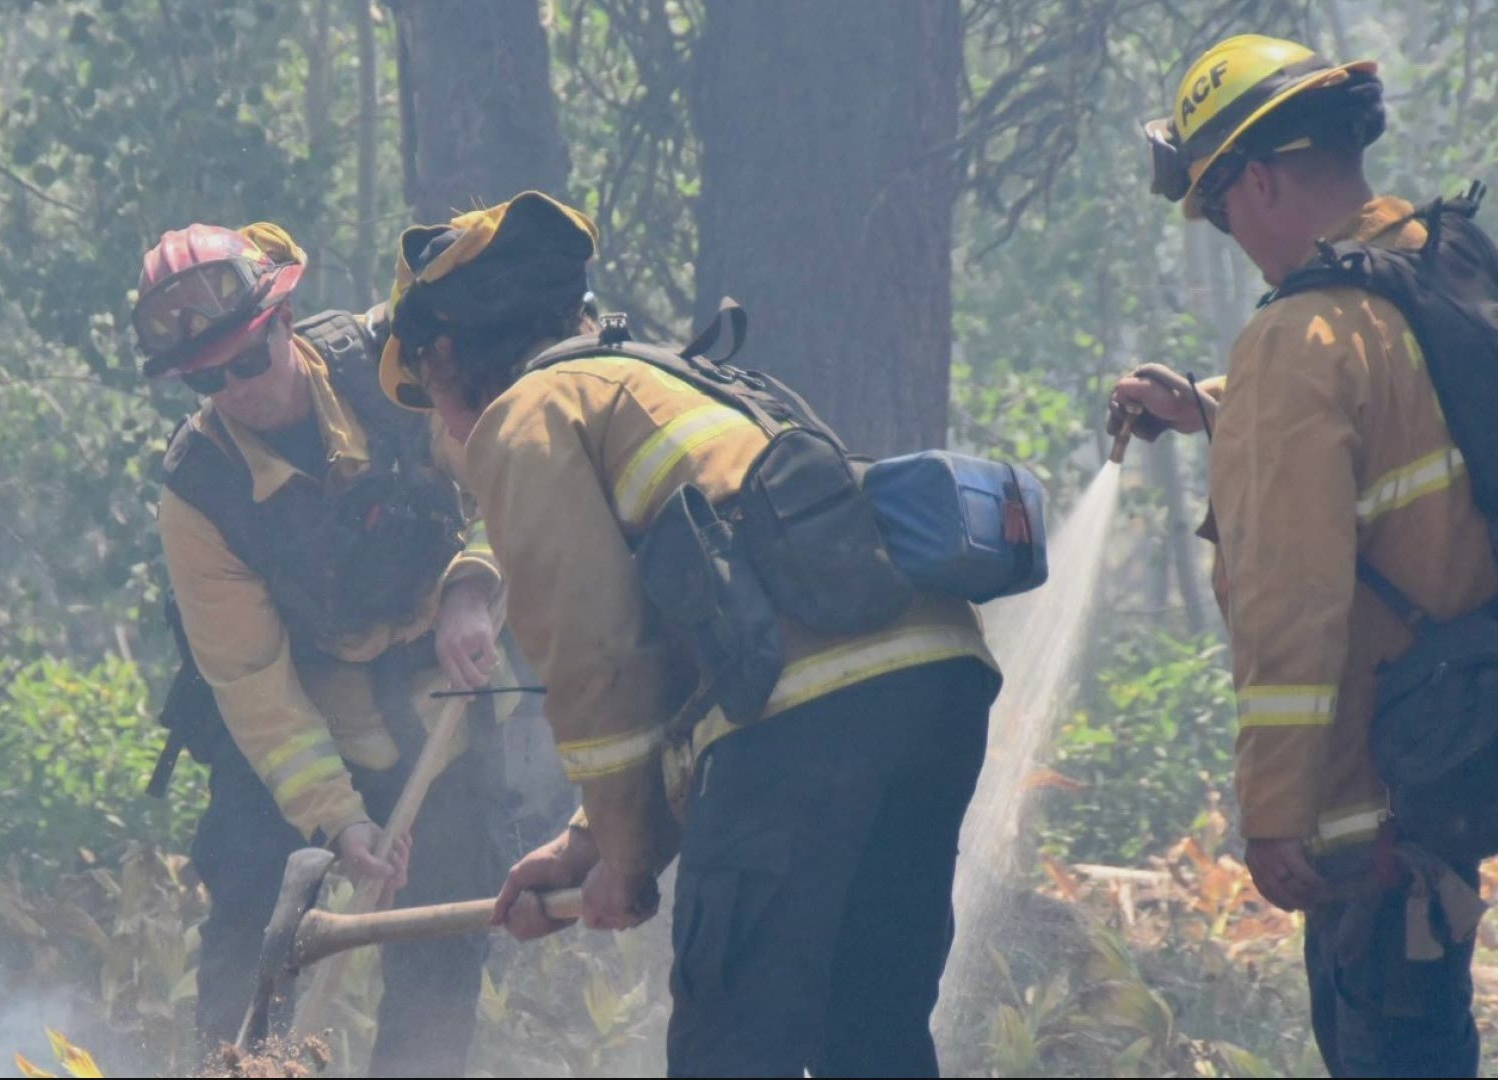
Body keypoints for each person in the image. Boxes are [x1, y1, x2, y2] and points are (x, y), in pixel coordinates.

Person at [377, 190, 1001, 1077]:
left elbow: (596, 658)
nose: (440, 418)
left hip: (807, 714)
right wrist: (590, 842)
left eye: (427, 386)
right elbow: (699, 642)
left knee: (732, 1049)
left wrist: (627, 861)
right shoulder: (659, 377)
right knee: (867, 1033)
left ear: (445, 349)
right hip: (929, 682)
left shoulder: (528, 413)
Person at [1112, 34, 1497, 1075]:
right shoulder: (1437, 268)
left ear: (1263, 178)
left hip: (1374, 794)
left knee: (1388, 1044)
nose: (1227, 231)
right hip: (1462, 740)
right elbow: (1400, 416)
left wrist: (1279, 812)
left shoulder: (1297, 337)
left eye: (1217, 205)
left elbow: (1290, 602)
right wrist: (1213, 409)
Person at [133, 220, 516, 1074]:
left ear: (284, 318)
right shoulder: (198, 491)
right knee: (248, 947)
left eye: (247, 358)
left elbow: (512, 472)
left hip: (437, 695)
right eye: (208, 376)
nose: (237, 389)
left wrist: (471, 587)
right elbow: (254, 683)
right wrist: (340, 823)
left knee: (442, 961)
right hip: (292, 742)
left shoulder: (390, 371)